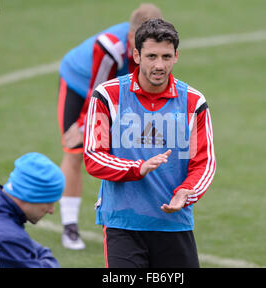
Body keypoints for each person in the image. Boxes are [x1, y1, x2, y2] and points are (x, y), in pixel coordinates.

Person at [83, 18, 216, 268]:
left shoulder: (193, 102)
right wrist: (137, 168)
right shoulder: (108, 95)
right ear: (136, 55)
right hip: (123, 225)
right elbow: (93, 156)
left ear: (176, 56)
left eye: (166, 56)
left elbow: (204, 163)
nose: (159, 65)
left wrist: (186, 193)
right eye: (151, 56)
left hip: (174, 224)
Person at [57, 3, 162, 250]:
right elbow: (98, 91)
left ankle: (132, 220)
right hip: (81, 84)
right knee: (76, 150)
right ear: (130, 36)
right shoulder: (110, 47)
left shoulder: (159, 46)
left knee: (133, 149)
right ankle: (70, 226)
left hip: (116, 88)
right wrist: (84, 126)